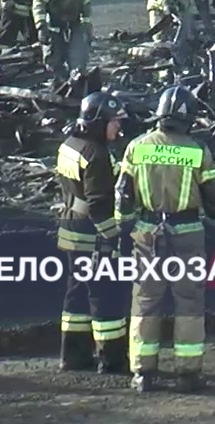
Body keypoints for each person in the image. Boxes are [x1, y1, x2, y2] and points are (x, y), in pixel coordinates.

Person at [116, 85, 215, 393]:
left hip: (148, 233)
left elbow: (123, 195)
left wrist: (125, 230)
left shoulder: (137, 147)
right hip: (187, 233)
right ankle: (188, 374)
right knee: (188, 303)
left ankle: (143, 373)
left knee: (146, 302)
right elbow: (213, 200)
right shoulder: (197, 150)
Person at [55, 92, 130, 374]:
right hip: (92, 235)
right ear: (99, 123)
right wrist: (113, 238)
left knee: (76, 293)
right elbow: (99, 205)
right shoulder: (96, 154)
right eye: (114, 122)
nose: (118, 128)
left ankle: (72, 356)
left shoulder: (70, 144)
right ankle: (112, 360)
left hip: (70, 227)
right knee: (105, 295)